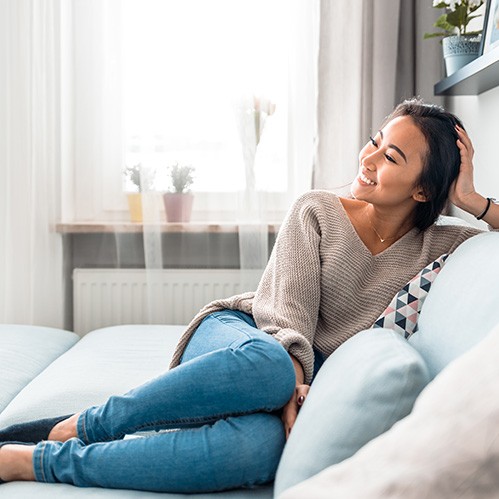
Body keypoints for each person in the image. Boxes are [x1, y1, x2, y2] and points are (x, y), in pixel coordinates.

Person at [1, 98, 498, 492]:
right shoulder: (318, 209)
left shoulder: (444, 243)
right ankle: (87, 424)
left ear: (421, 191)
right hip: (245, 338)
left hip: (292, 380)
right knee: (271, 365)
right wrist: (294, 381)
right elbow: (286, 315)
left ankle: (39, 461)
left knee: (258, 454)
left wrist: (472, 200)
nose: (368, 158)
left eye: (391, 157)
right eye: (374, 141)